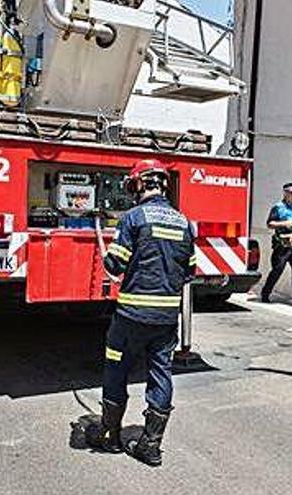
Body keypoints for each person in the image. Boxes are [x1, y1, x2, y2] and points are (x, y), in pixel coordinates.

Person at [85, 159, 196, 467]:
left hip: (131, 317)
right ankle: (150, 445)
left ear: (141, 184)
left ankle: (110, 436)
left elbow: (115, 266)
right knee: (161, 374)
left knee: (116, 369)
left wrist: (108, 253)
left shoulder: (134, 218)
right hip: (165, 320)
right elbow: (189, 273)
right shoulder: (184, 222)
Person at [259, 182, 292, 309]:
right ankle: (265, 293)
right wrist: (285, 224)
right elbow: (270, 224)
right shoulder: (278, 207)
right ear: (285, 193)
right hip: (281, 243)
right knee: (277, 269)